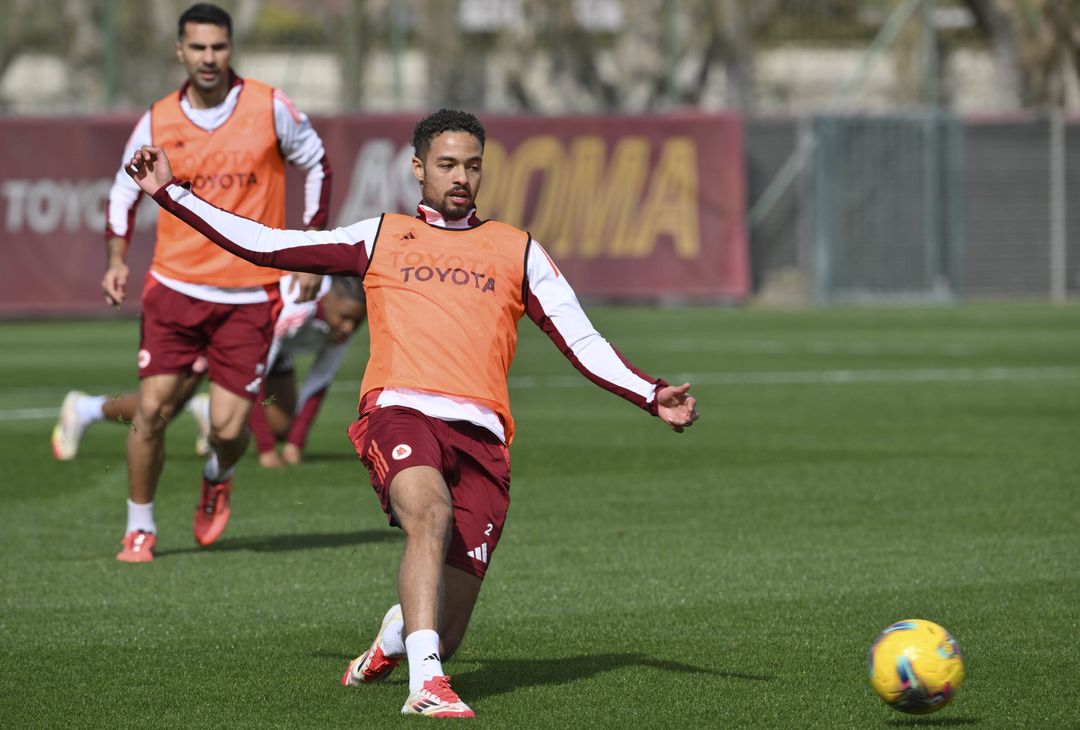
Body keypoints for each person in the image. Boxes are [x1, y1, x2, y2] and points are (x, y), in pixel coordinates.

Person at [124, 109, 699, 718]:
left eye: (472, 166)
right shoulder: (381, 236)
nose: (461, 178)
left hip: (483, 439)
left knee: (447, 632)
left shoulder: (518, 249)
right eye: (448, 165)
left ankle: (400, 637)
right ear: (419, 168)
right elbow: (268, 245)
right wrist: (170, 193)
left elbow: (581, 341)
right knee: (429, 513)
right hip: (398, 413)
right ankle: (426, 685)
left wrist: (647, 392)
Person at [103, 3, 333, 563]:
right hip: (174, 287)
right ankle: (140, 527)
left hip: (250, 293)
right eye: (198, 48)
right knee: (152, 409)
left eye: (219, 47)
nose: (209, 58)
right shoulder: (157, 118)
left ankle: (216, 474)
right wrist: (116, 258)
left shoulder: (269, 106)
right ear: (180, 51)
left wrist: (308, 252)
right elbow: (123, 189)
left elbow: (319, 164)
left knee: (230, 430)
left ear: (231, 50)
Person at [50, 274, 365, 467]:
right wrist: (267, 452)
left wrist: (295, 446)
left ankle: (211, 411)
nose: (349, 327)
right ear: (330, 299)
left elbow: (319, 382)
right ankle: (84, 408)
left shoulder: (341, 324)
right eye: (346, 317)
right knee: (163, 409)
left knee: (282, 423)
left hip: (273, 350)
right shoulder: (298, 304)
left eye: (357, 322)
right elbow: (251, 379)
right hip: (231, 331)